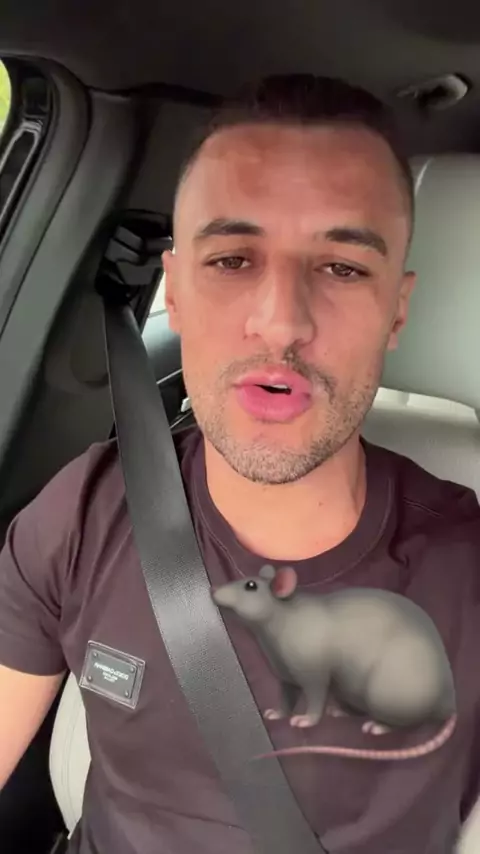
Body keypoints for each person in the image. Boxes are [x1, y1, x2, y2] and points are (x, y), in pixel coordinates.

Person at [0, 73, 479, 854]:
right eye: (231, 260)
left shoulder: (467, 569)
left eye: (343, 267)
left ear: (397, 309)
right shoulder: (85, 512)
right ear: (176, 292)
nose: (281, 322)